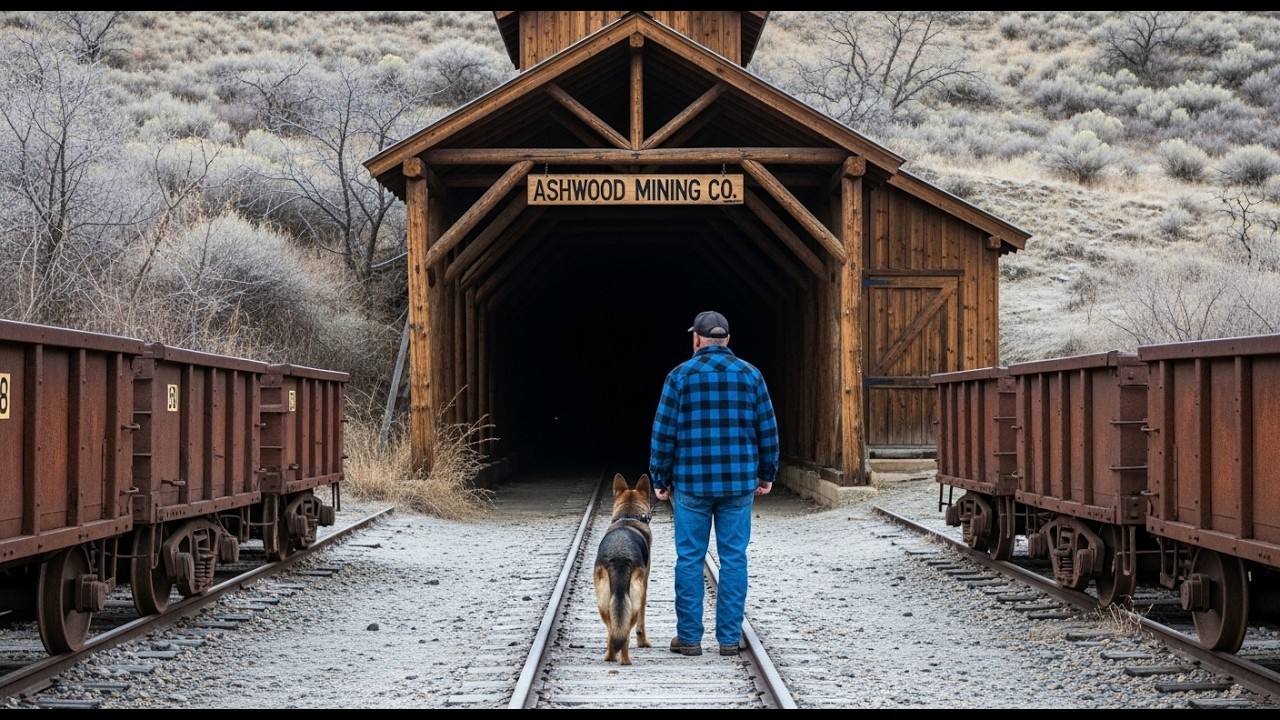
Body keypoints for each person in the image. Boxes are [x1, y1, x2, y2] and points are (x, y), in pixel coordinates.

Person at [648, 310, 780, 657]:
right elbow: (767, 429)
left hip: (691, 483)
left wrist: (660, 477)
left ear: (696, 340)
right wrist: (766, 474)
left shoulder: (679, 376)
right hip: (737, 483)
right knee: (734, 558)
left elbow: (664, 433)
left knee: (689, 558)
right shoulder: (751, 375)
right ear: (728, 340)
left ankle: (689, 639)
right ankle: (729, 639)